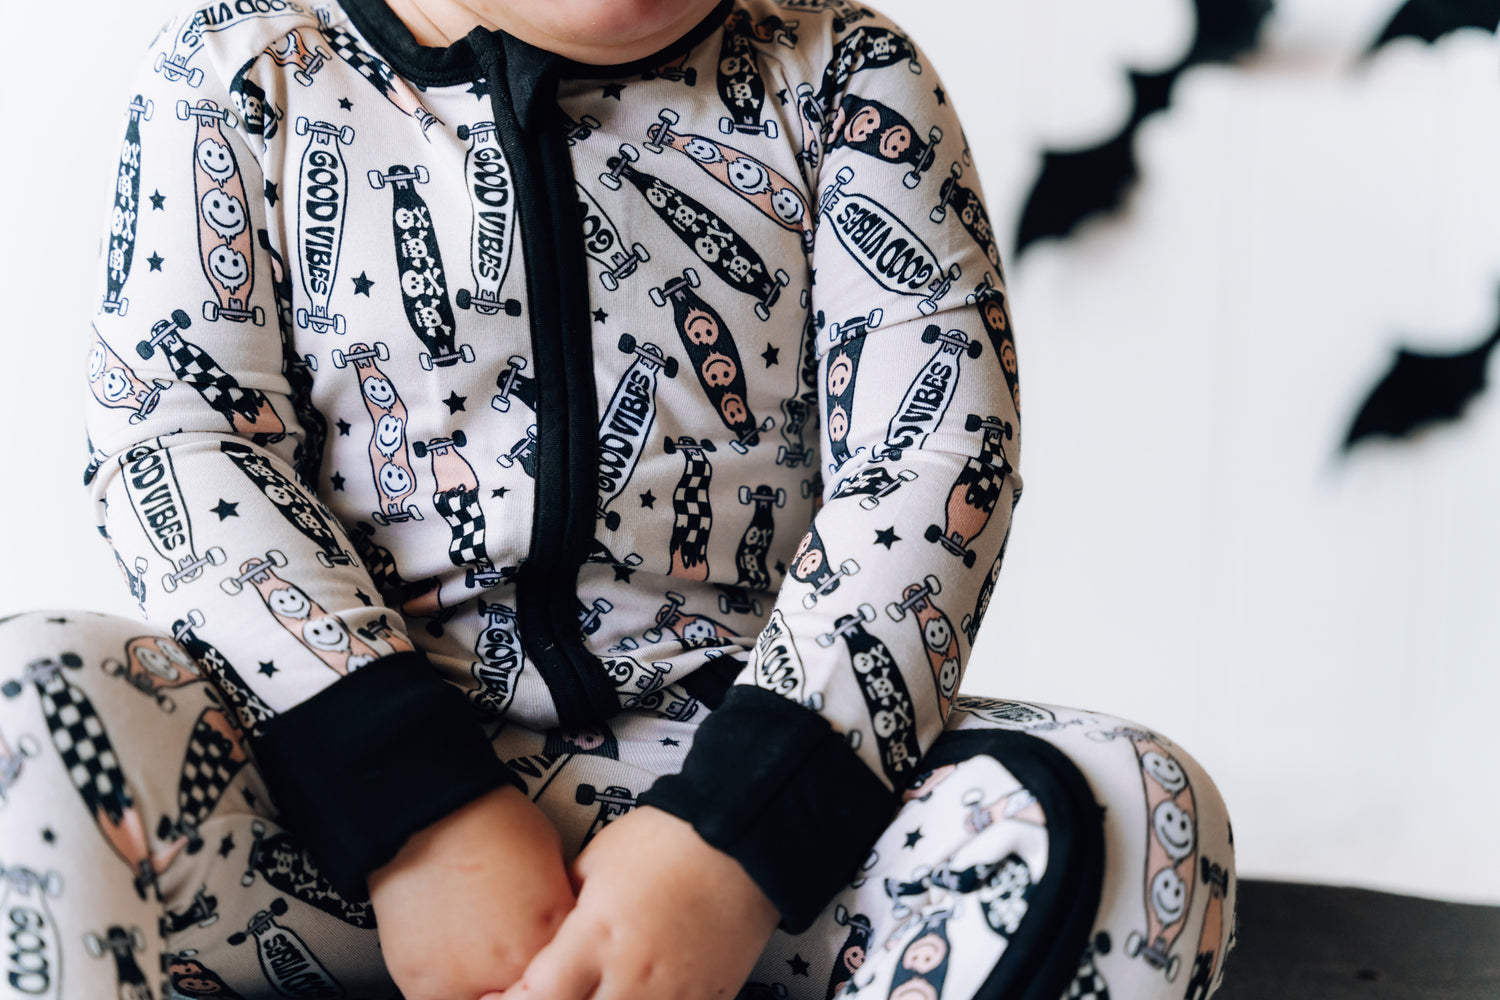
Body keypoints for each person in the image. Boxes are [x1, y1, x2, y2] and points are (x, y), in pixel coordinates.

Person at [0, 0, 1236, 998]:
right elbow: (180, 438)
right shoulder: (243, 69)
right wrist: (414, 812)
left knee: (1136, 813)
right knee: (29, 699)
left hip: (745, 782)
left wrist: (732, 838)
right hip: (317, 809)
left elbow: (932, 458)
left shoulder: (847, 76)